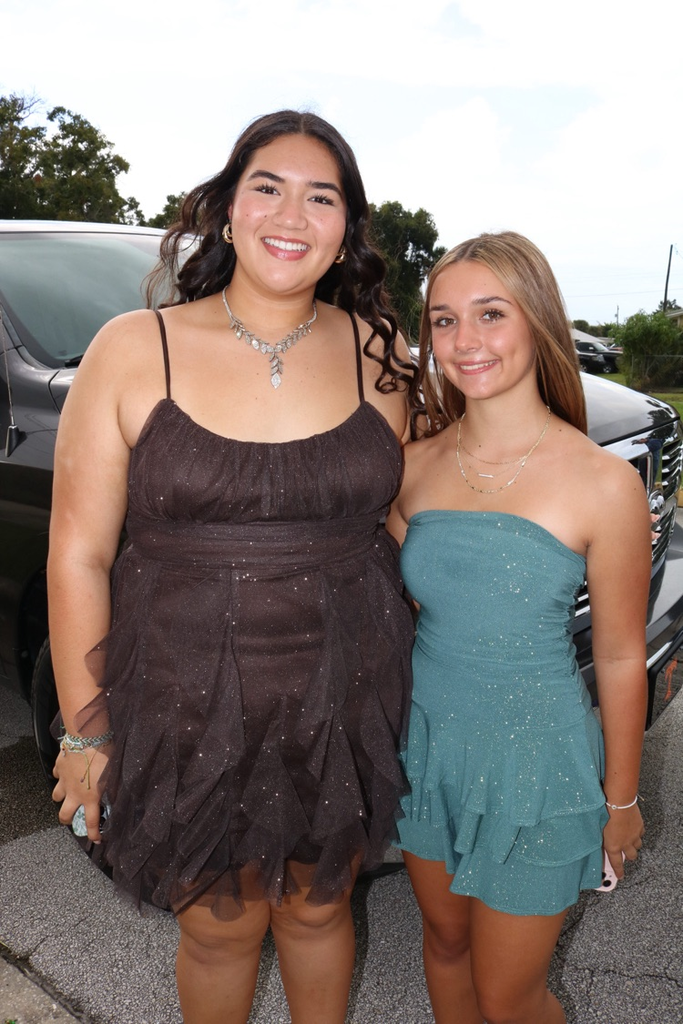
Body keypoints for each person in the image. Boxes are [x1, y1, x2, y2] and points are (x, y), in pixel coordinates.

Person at [48, 110, 416, 1024]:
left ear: (345, 231)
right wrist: (86, 733)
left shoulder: (385, 356)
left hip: (346, 691)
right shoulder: (135, 346)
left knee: (321, 908)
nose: (292, 213)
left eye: (320, 196)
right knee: (217, 926)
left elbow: (416, 527)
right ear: (226, 208)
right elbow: (78, 552)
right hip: (182, 692)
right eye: (268, 186)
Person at [386, 231, 649, 1024]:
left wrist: (623, 797)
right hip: (428, 748)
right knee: (443, 945)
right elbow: (414, 577)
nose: (463, 342)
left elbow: (619, 652)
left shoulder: (603, 484)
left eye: (489, 314)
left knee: (509, 998)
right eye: (442, 320)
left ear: (536, 321)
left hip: (538, 766)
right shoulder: (413, 463)